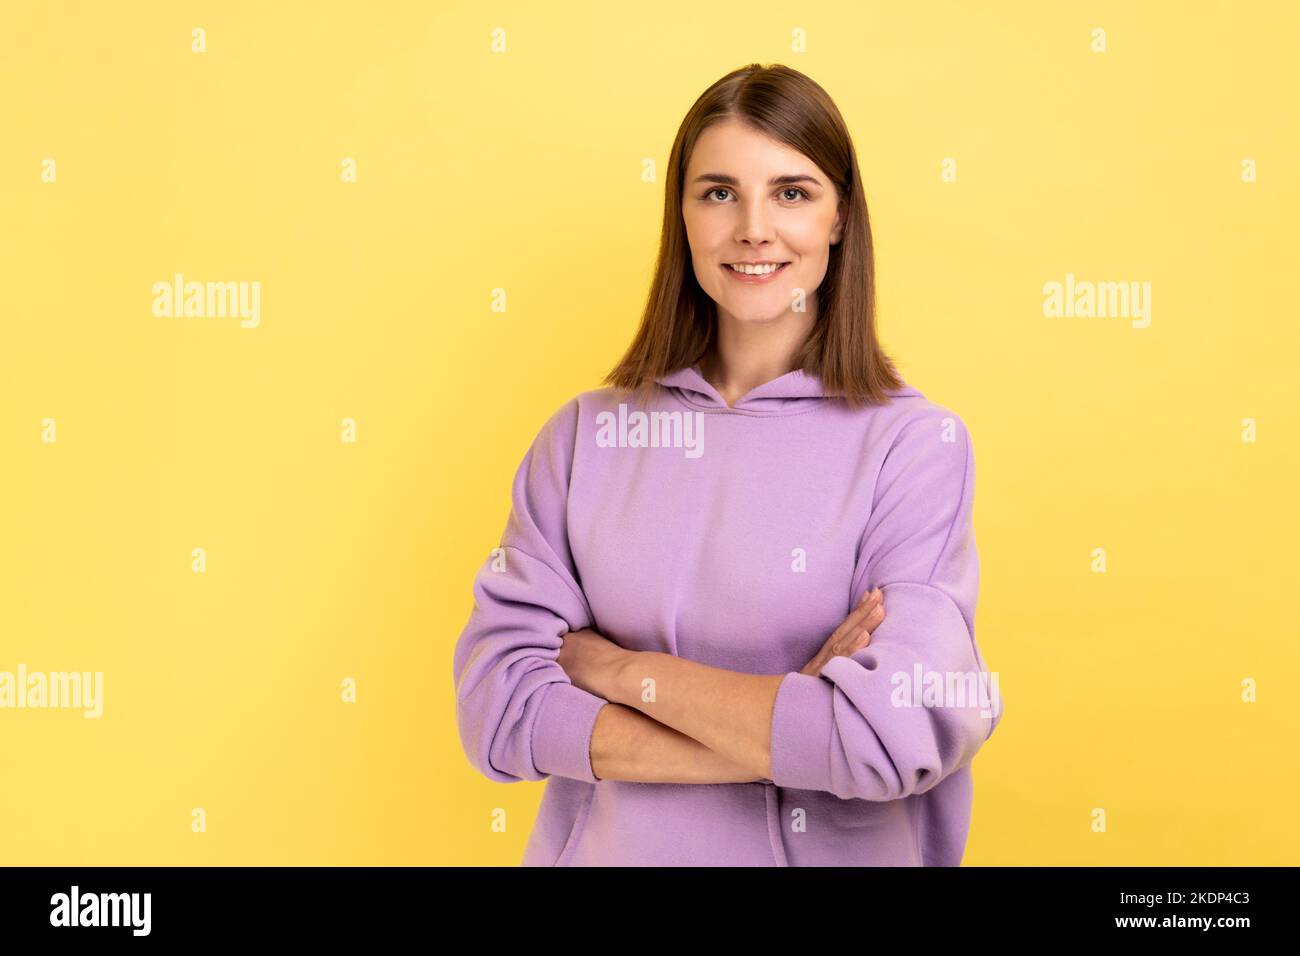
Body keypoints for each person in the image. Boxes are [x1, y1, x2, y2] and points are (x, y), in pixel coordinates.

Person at [452, 62, 1003, 866]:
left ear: (840, 217)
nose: (753, 227)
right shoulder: (581, 438)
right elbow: (497, 712)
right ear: (681, 214)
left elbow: (890, 735)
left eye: (792, 192)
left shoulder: (916, 448)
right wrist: (798, 716)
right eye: (718, 193)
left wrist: (613, 667)